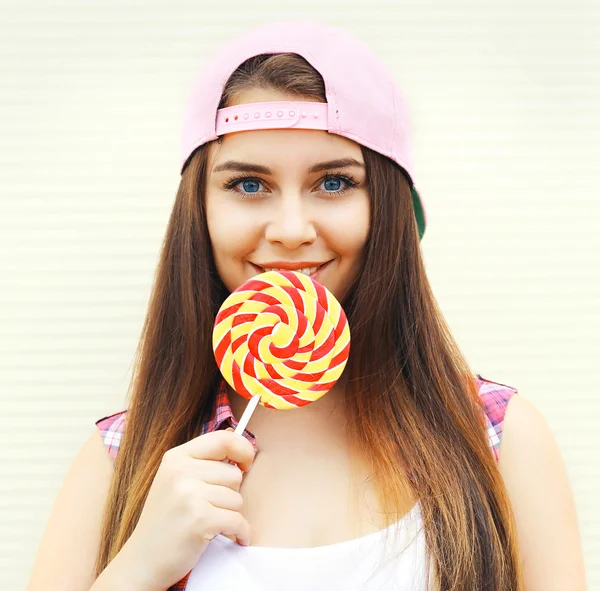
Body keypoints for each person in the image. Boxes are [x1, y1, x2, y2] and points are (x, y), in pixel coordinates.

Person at [27, 20, 586, 591]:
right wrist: (139, 567)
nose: (292, 229)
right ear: (199, 211)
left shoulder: (497, 439)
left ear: (388, 208)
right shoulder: (121, 463)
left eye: (335, 183)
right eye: (248, 184)